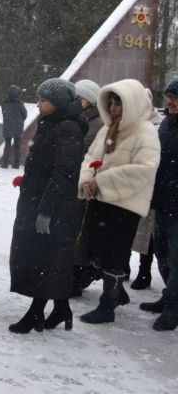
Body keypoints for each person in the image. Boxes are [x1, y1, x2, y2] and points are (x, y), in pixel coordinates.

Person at [78, 79, 160, 324]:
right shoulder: (108, 128)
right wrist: (86, 181)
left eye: (119, 103)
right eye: (111, 103)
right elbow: (90, 157)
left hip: (125, 206)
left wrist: (101, 181)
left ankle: (107, 306)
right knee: (99, 253)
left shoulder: (145, 132)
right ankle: (116, 294)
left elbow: (145, 169)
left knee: (114, 256)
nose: (113, 108)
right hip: (102, 202)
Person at [9, 78, 86, 334]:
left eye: (44, 100)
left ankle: (35, 312)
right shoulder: (52, 123)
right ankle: (61, 308)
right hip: (39, 199)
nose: (39, 104)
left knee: (45, 258)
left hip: (53, 206)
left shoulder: (67, 128)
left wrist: (46, 210)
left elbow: (64, 173)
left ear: (58, 102)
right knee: (47, 258)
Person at [140, 78, 178, 330]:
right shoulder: (167, 122)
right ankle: (169, 296)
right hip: (163, 202)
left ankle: (174, 309)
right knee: (162, 256)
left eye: (174, 97)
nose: (170, 101)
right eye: (168, 97)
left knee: (176, 260)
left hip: (177, 205)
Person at [128, 89, 164, 290]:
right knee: (129, 229)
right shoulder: (130, 124)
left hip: (149, 186)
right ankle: (123, 267)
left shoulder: (158, 126)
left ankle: (144, 271)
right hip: (132, 186)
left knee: (146, 233)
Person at [71, 79, 103, 296]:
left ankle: (81, 274)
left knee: (82, 234)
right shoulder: (81, 119)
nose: (76, 102)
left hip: (86, 185)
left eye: (80, 99)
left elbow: (89, 153)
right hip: (75, 182)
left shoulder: (98, 124)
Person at [0, 84, 27, 169]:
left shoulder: (4, 102)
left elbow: (4, 114)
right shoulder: (20, 103)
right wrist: (19, 121)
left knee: (7, 145)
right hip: (18, 127)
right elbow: (24, 114)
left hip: (7, 126)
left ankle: (5, 163)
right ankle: (16, 164)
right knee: (17, 146)